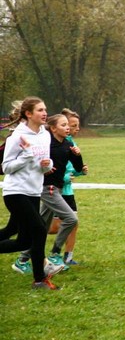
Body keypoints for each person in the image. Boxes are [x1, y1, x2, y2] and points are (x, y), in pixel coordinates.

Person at [0, 97, 63, 290]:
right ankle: (39, 279)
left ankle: (39, 279)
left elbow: (44, 164)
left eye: (45, 109)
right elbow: (6, 167)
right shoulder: (17, 137)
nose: (45, 113)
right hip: (15, 192)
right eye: (40, 110)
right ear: (28, 114)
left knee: (23, 241)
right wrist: (26, 157)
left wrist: (48, 165)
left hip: (34, 192)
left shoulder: (45, 135)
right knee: (39, 229)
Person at [15, 113, 85, 271]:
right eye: (63, 125)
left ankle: (22, 259)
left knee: (42, 227)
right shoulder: (46, 144)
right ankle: (55, 254)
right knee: (71, 219)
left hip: (58, 188)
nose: (67, 128)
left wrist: (77, 155)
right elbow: (33, 160)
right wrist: (43, 166)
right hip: (47, 188)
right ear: (53, 128)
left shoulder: (67, 144)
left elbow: (78, 168)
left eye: (67, 125)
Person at [48, 108, 87, 266]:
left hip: (67, 189)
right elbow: (55, 167)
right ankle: (27, 238)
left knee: (73, 223)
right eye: (72, 125)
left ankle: (67, 257)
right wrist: (64, 177)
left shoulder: (70, 143)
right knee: (55, 226)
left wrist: (80, 171)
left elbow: (72, 167)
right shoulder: (54, 144)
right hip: (56, 189)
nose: (76, 128)